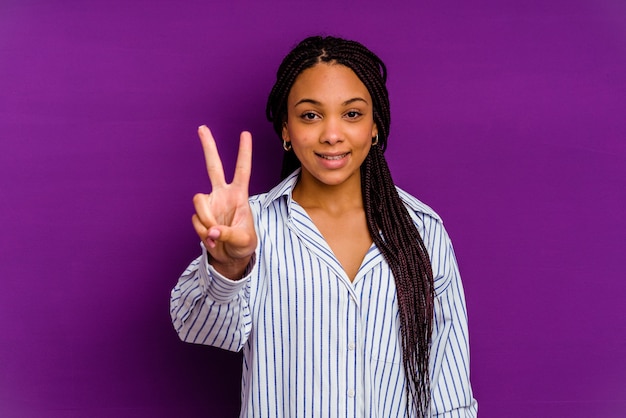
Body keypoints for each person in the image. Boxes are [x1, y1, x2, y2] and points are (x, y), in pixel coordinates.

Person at [170, 35, 478, 417]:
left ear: (375, 126)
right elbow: (199, 328)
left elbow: (449, 392)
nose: (332, 134)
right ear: (286, 129)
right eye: (310, 115)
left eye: (352, 114)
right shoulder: (251, 227)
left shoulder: (424, 232)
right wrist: (230, 266)